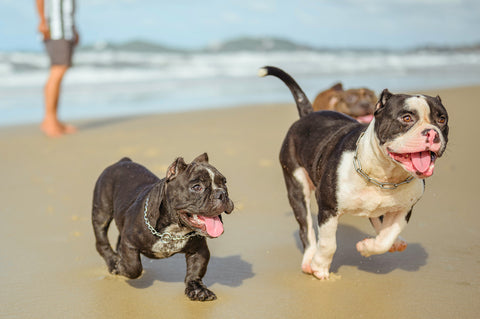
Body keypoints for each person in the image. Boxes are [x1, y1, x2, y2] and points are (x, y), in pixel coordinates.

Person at [36, 0, 79, 137]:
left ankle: (54, 119)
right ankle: (49, 120)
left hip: (66, 29)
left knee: (60, 73)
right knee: (57, 72)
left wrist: (73, 28)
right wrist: (42, 21)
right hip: (55, 29)